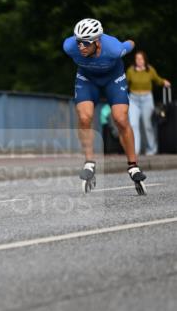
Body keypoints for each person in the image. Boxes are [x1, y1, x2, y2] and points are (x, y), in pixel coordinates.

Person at [62, 18, 147, 194]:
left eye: (86, 43)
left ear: (97, 41)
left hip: (113, 79)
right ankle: (89, 162)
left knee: (121, 119)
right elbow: (76, 44)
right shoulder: (69, 46)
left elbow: (129, 44)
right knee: (84, 117)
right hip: (87, 80)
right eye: (79, 42)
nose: (81, 47)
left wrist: (131, 42)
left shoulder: (114, 49)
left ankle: (133, 166)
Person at [126, 50, 171, 156]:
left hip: (147, 99)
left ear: (144, 60)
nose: (139, 61)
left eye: (141, 59)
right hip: (133, 99)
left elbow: (157, 79)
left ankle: (151, 149)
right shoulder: (131, 71)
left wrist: (164, 82)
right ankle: (135, 150)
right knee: (133, 125)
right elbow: (125, 83)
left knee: (148, 125)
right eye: (137, 59)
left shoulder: (150, 70)